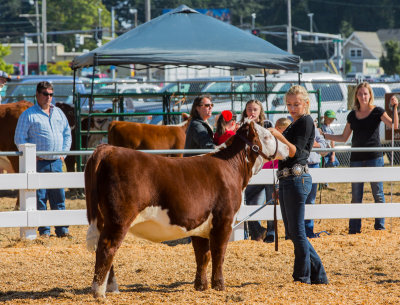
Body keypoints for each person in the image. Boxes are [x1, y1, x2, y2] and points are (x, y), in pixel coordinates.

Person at [268, 85, 328, 284]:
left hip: (297, 178)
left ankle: (303, 277)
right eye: (289, 104)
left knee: (297, 232)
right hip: (288, 179)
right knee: (293, 232)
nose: (292, 108)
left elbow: (295, 152)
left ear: (306, 103)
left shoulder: (306, 122)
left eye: (296, 104)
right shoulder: (295, 124)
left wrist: (278, 135)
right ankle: (318, 274)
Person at [323, 82, 399, 234]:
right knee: (356, 195)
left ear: (370, 95)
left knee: (377, 193)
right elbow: (344, 137)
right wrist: (324, 135)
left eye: (365, 93)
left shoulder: (377, 111)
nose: (363, 96)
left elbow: (394, 126)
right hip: (356, 158)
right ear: (356, 96)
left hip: (374, 157)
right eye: (360, 94)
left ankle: (380, 227)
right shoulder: (352, 115)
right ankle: (354, 229)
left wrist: (395, 108)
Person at [14, 81, 72, 238]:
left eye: (51, 94)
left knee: (59, 196)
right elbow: (19, 138)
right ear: (38, 95)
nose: (49, 97)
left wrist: (63, 154)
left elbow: (67, 133)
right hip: (39, 162)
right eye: (46, 94)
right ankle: (44, 232)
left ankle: (62, 230)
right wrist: (32, 156)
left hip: (56, 162)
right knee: (40, 197)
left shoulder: (58, 113)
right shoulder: (28, 114)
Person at [240, 100, 274, 242]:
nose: (252, 112)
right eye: (249, 109)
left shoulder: (267, 126)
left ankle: (271, 232)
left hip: (268, 168)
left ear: (260, 111)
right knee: (247, 200)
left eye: (255, 109)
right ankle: (256, 231)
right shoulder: (242, 127)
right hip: (250, 171)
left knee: (271, 199)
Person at [304, 125, 327, 238]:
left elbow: (324, 148)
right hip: (297, 165)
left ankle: (308, 230)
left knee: (310, 200)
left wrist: (313, 144)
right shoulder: (289, 124)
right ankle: (295, 231)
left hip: (313, 164)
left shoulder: (313, 128)